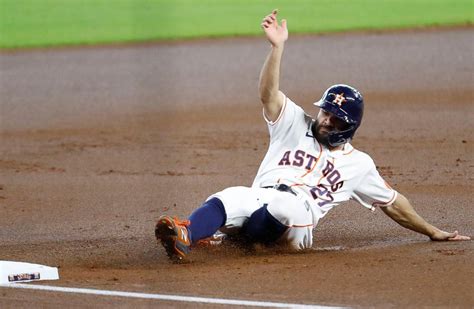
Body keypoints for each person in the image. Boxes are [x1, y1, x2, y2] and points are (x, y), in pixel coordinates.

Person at [155, 10, 470, 261]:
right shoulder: (293, 121)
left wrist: (432, 231)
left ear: (349, 127)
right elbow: (268, 94)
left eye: (335, 119)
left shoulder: (359, 165)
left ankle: (239, 241)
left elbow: (394, 203)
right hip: (261, 196)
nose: (325, 120)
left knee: (284, 208)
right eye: (325, 112)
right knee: (229, 195)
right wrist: (277, 48)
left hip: (299, 217)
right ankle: (187, 235)